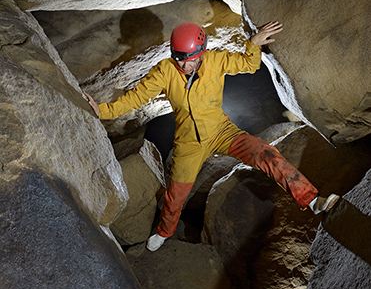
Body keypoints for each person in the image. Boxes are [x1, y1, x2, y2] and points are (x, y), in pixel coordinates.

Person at [84, 21, 339, 251]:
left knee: (265, 152)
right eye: (179, 59)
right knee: (176, 195)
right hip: (188, 143)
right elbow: (135, 98)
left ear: (201, 53)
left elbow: (248, 65)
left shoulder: (215, 61)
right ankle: (165, 232)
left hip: (222, 131)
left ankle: (312, 199)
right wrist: (102, 110)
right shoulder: (165, 71)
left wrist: (252, 45)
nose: (185, 65)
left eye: (191, 59)